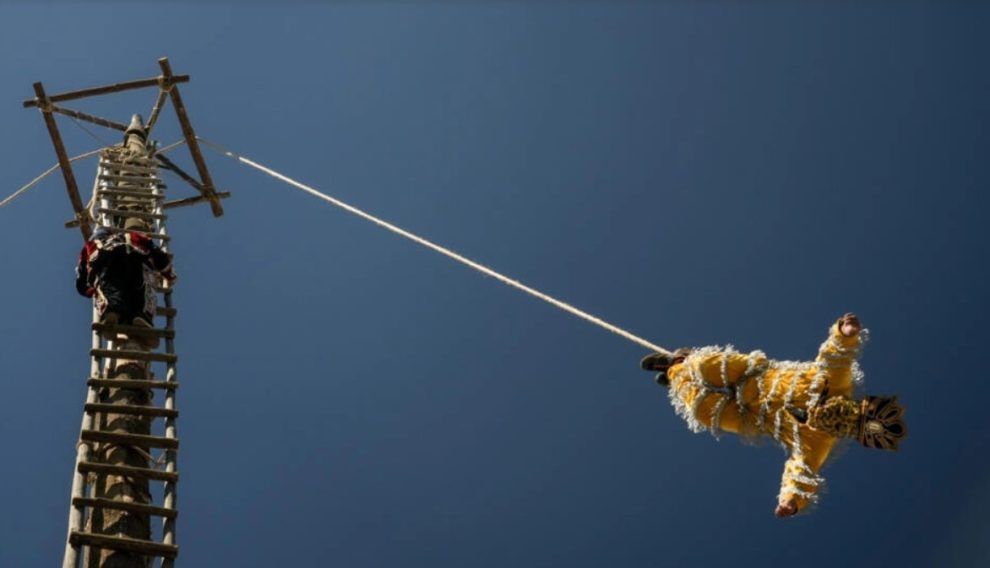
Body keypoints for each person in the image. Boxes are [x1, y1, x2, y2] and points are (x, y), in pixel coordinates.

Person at [640, 313, 906, 517]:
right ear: (863, 406)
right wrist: (846, 334)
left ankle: (675, 374)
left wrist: (791, 501)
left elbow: (802, 471)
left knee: (705, 412)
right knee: (708, 365)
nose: (843, 419)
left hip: (751, 417)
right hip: (754, 375)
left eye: (856, 426)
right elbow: (837, 358)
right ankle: (686, 362)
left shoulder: (820, 442)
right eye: (859, 415)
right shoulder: (837, 384)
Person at [75, 217, 176, 345]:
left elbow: (81, 273)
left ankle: (112, 312)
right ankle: (141, 317)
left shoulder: (89, 247)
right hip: (133, 257)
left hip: (103, 261)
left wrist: (89, 290)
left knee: (110, 289)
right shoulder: (131, 236)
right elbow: (156, 252)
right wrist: (168, 273)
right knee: (141, 288)